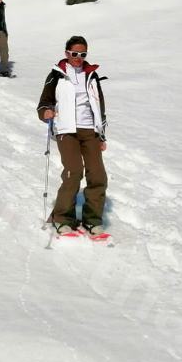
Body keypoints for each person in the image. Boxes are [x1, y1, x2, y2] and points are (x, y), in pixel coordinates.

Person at [36, 36, 108, 236]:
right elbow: (44, 102)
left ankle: (92, 220)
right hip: (67, 131)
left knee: (98, 175)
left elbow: (99, 105)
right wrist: (45, 112)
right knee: (73, 172)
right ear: (66, 53)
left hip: (90, 131)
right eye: (75, 53)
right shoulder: (57, 75)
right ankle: (62, 218)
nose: (78, 57)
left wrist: (102, 135)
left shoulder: (91, 75)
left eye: (83, 54)